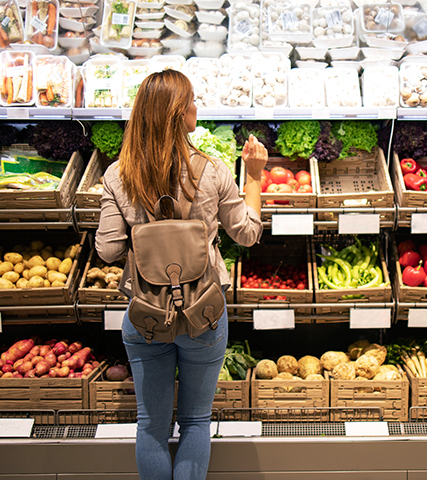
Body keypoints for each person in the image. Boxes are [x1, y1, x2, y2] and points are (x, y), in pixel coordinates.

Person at [95, 69, 268, 480]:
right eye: (190, 101)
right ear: (177, 114)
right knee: (194, 421)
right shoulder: (212, 170)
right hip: (202, 313)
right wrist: (256, 175)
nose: (196, 107)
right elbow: (246, 234)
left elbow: (107, 249)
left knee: (151, 425)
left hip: (146, 315)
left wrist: (147, 242)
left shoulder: (118, 176)